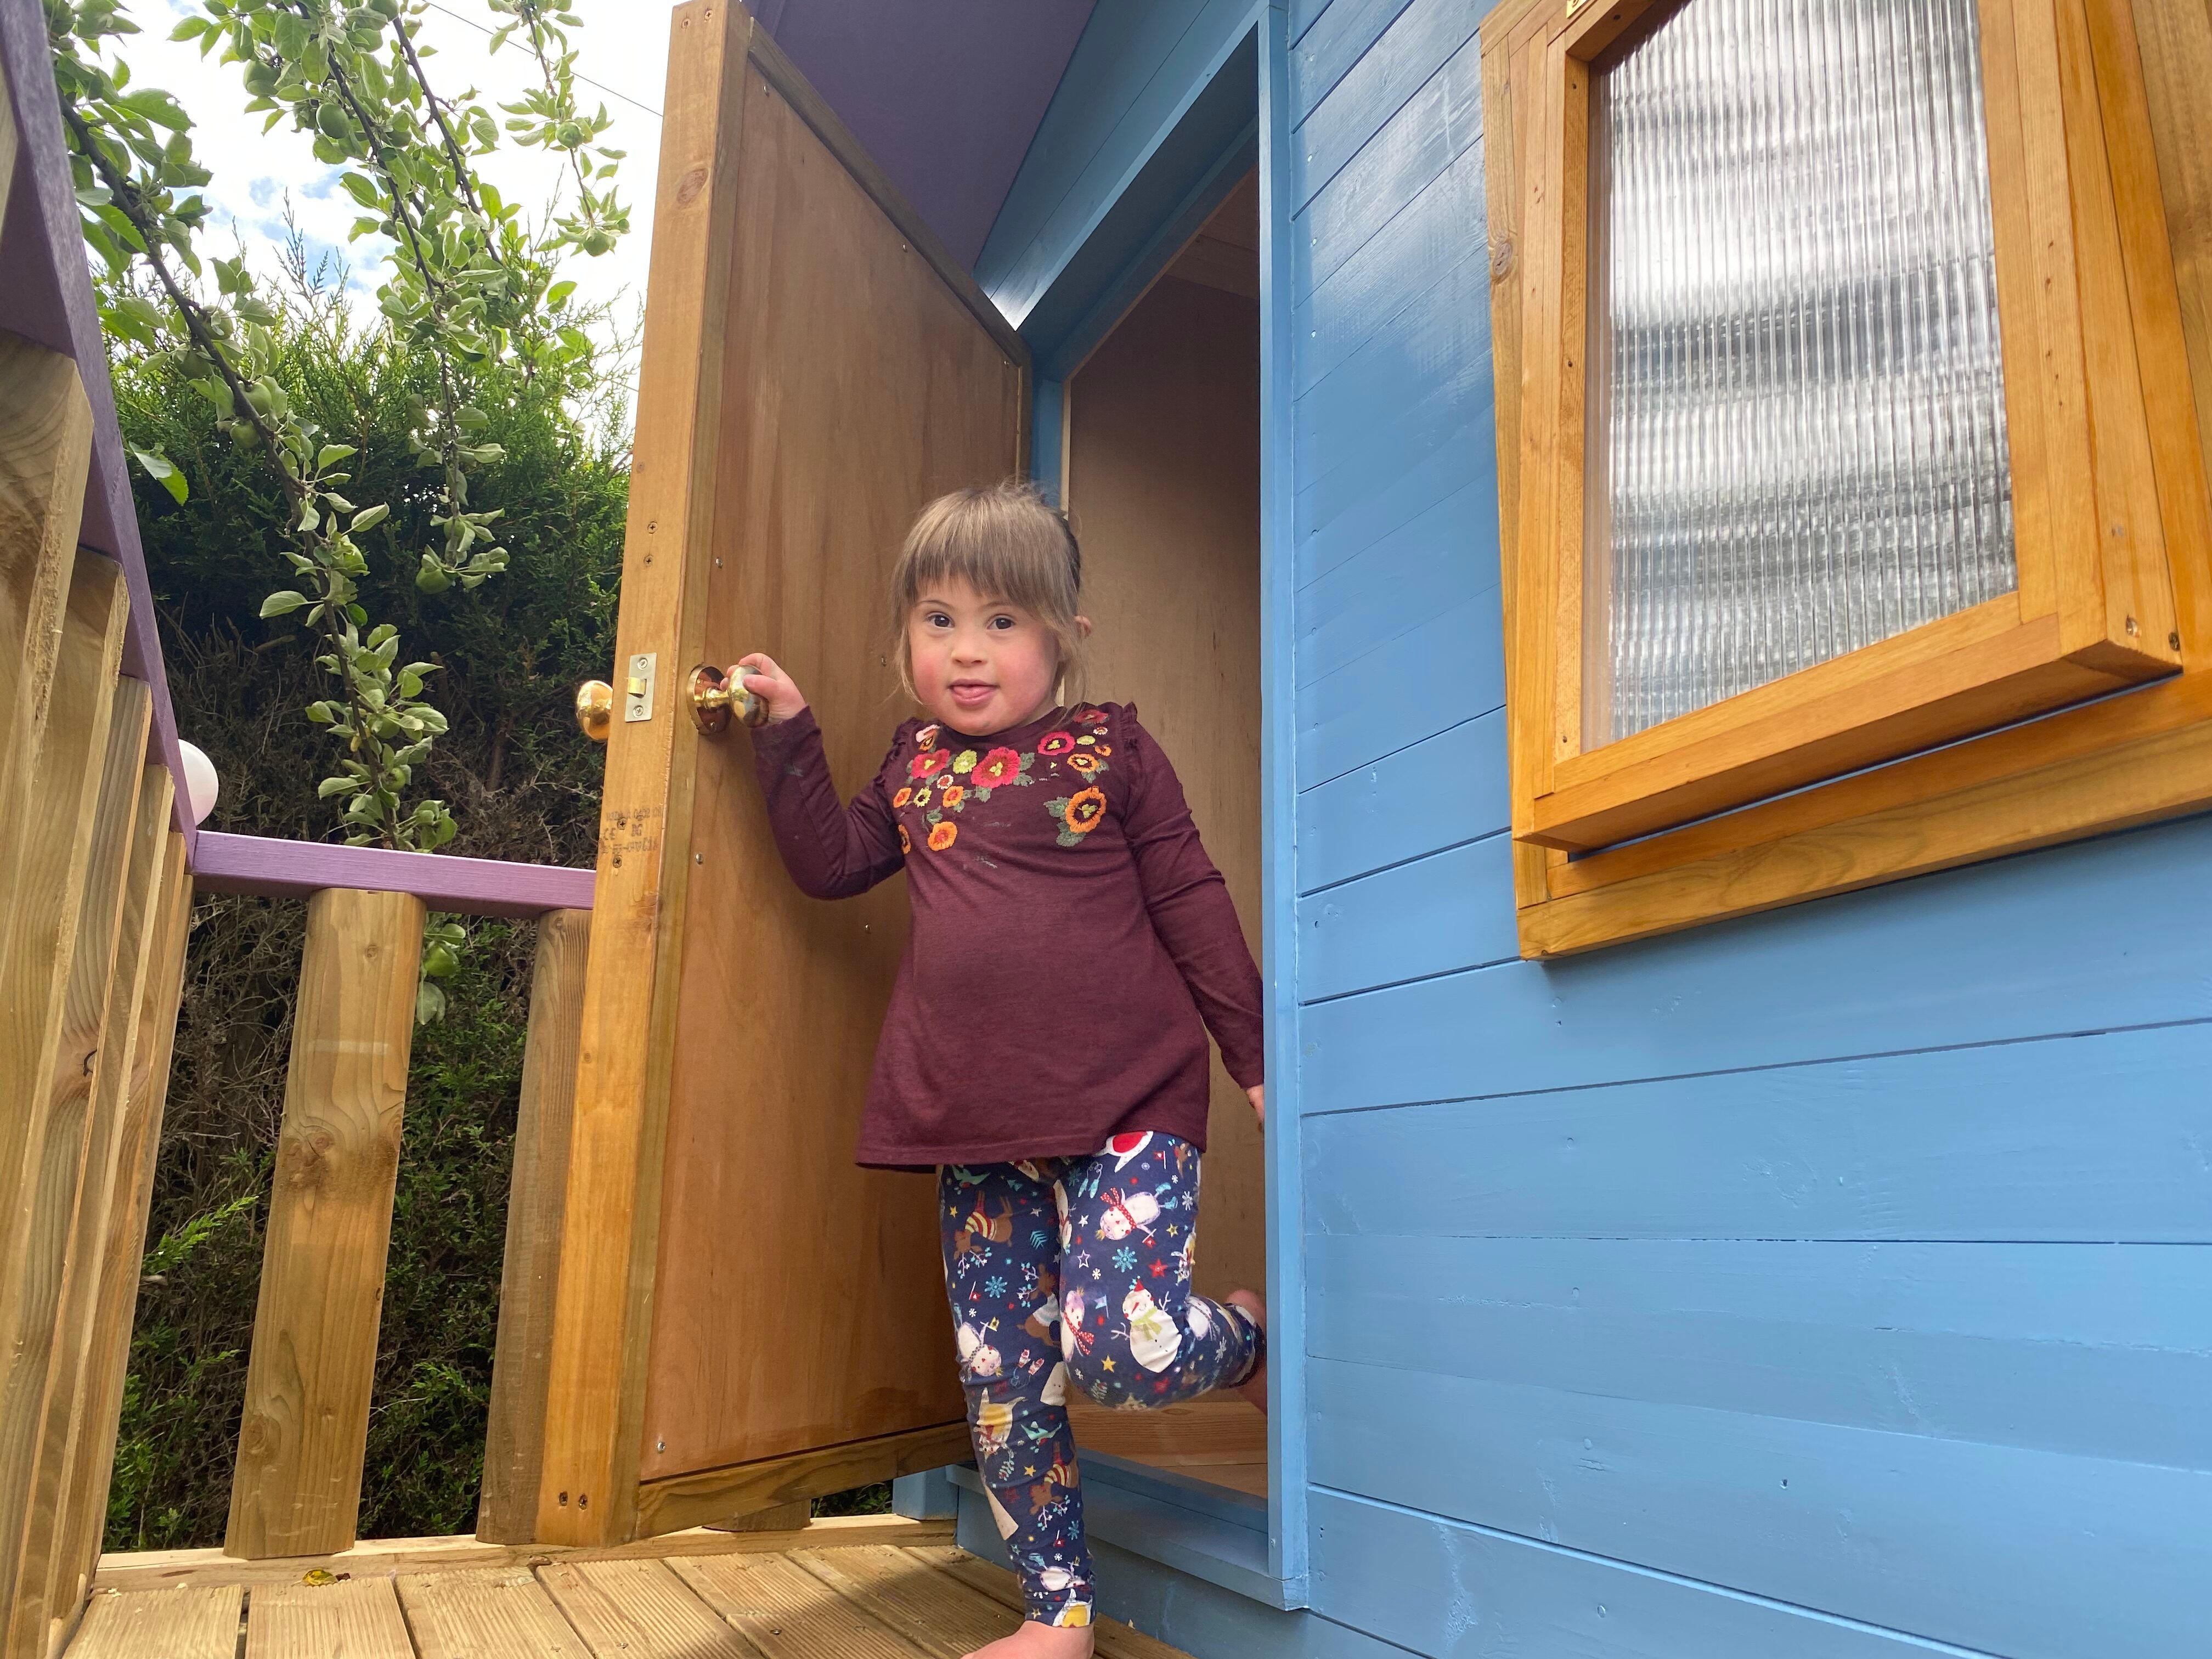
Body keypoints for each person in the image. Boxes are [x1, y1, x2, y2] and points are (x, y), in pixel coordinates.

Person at [737, 480, 1267, 1657]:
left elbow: (1190, 898)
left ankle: (1245, 1339)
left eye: (1002, 621)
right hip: (970, 1122)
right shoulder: (914, 767)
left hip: (1130, 1100)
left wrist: (1256, 1055)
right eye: (938, 620)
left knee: (1124, 1349)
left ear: (1065, 637)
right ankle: (1057, 1612)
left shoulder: (1112, 747)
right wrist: (787, 736)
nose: (967, 651)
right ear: (904, 640)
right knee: (1004, 1380)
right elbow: (830, 862)